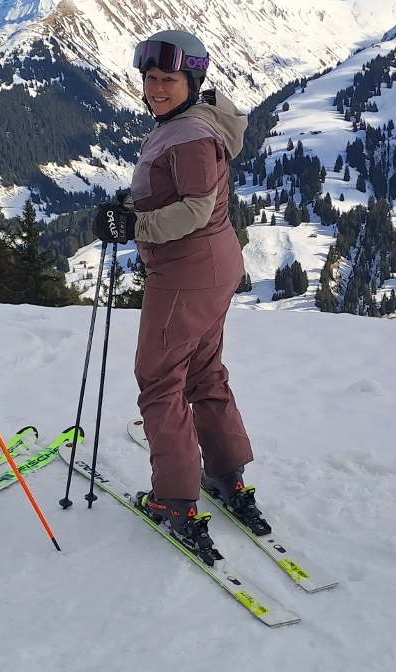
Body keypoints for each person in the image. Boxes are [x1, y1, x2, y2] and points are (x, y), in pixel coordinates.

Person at [93, 30, 268, 553]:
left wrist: (131, 228)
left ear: (192, 81)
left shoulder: (190, 135)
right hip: (212, 267)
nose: (155, 88)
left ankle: (174, 497)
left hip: (187, 272)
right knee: (203, 370)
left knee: (160, 378)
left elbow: (193, 209)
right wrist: (132, 207)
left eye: (167, 79)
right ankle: (226, 473)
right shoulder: (185, 126)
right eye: (149, 78)